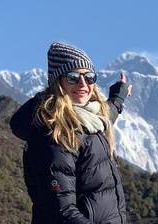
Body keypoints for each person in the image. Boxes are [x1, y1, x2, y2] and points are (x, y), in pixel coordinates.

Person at [10, 42, 132, 224]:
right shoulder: (56, 136)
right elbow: (62, 212)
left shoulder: (90, 118)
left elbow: (104, 117)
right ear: (58, 82)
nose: (83, 84)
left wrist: (118, 98)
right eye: (73, 77)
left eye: (89, 77)